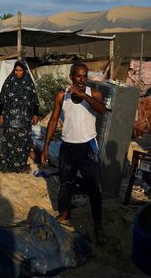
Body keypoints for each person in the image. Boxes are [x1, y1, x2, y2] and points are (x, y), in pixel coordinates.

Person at [41, 62, 108, 244]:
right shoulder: (62, 96)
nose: (81, 79)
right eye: (78, 76)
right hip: (68, 146)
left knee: (94, 188)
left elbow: (102, 110)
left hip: (87, 146)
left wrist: (84, 95)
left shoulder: (93, 93)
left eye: (84, 76)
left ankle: (98, 225)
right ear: (71, 77)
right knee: (65, 183)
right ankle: (64, 214)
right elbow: (54, 120)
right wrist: (46, 146)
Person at [0, 61, 40, 173]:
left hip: (25, 118)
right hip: (9, 116)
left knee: (23, 142)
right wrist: (0, 114)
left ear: (24, 71)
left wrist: (35, 114)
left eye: (20, 70)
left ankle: (21, 166)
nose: (18, 73)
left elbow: (34, 100)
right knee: (9, 140)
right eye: (16, 70)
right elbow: (2, 99)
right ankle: (7, 166)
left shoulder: (29, 83)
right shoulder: (9, 82)